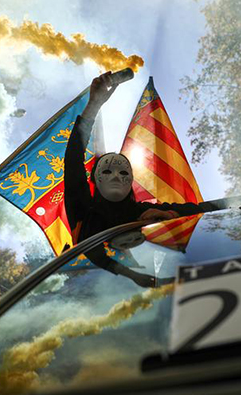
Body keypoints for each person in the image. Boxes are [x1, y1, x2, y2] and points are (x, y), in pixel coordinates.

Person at [64, 72, 207, 286]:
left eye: (123, 173)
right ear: (95, 179)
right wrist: (95, 103)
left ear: (131, 181)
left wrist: (168, 215)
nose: (116, 176)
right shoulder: (83, 207)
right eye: (107, 171)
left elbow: (198, 211)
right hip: (86, 291)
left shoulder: (142, 213)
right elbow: (73, 158)